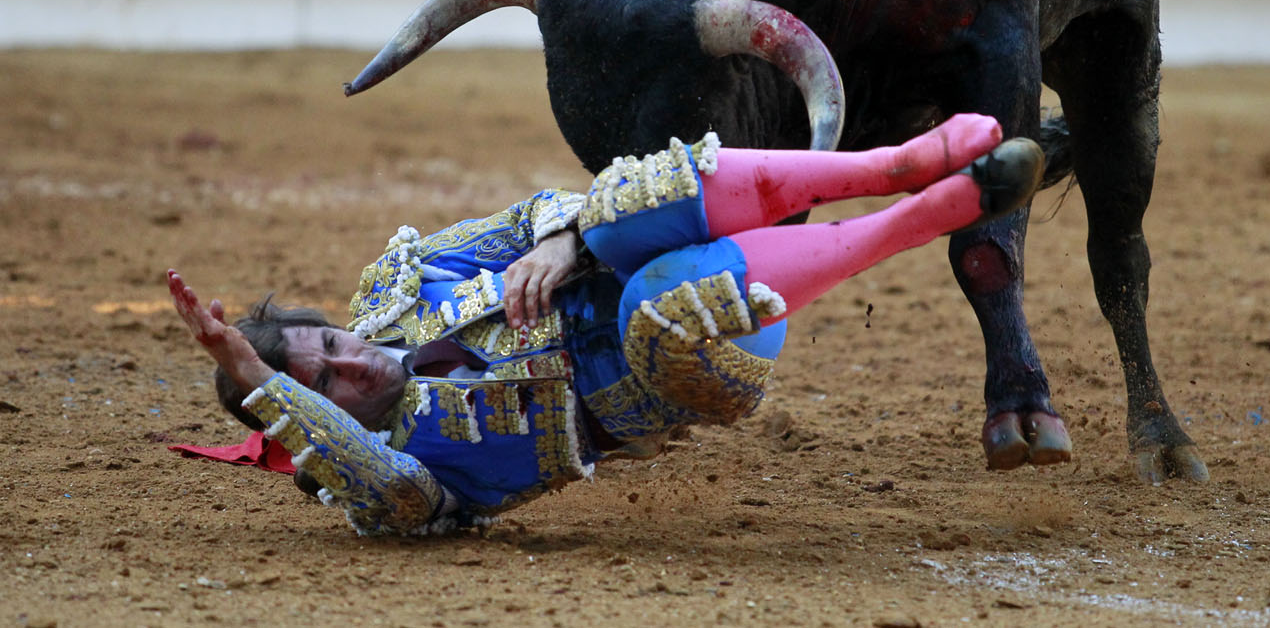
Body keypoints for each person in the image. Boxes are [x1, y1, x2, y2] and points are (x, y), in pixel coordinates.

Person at [168, 115, 1044, 535]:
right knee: (652, 310)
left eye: (326, 345)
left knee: (612, 209)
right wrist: (265, 385)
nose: (346, 362)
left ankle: (893, 163)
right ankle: (928, 216)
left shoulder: (400, 288)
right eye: (322, 382)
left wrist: (560, 241)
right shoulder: (399, 481)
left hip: (668, 257)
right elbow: (387, 488)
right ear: (317, 423)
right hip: (694, 358)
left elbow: (537, 211)